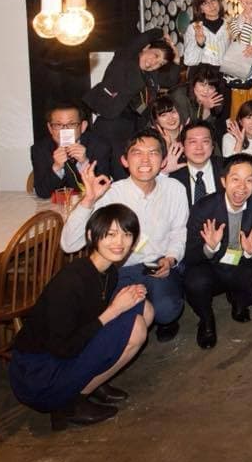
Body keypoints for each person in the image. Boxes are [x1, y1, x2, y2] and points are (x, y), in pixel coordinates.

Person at [10, 204, 152, 431]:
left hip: (67, 352)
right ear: (91, 236)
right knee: (136, 327)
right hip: (38, 373)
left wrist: (119, 307)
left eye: (127, 234)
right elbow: (62, 348)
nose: (119, 242)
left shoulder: (108, 272)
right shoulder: (71, 281)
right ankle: (70, 403)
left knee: (145, 309)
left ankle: (92, 382)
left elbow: (88, 324)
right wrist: (114, 310)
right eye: (110, 234)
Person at [60, 130, 187, 342]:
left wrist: (171, 259)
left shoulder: (175, 190)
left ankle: (162, 314)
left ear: (164, 161)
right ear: (124, 161)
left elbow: (179, 231)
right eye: (137, 153)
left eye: (153, 153)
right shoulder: (111, 193)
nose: (145, 160)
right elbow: (69, 244)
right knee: (123, 314)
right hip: (119, 270)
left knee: (167, 310)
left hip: (157, 266)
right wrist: (88, 200)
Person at [185, 153, 252, 349]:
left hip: (242, 264)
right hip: (211, 266)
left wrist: (251, 252)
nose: (242, 187)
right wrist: (209, 248)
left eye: (249, 180)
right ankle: (206, 320)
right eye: (235, 179)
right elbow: (190, 255)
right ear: (223, 181)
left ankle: (239, 298)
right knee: (194, 282)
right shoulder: (204, 208)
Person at [82, 29, 174, 176]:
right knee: (100, 171)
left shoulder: (151, 78)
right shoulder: (125, 59)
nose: (155, 62)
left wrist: (176, 56)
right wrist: (161, 32)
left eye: (160, 63)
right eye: (156, 55)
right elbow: (141, 39)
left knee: (124, 173)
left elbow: (171, 80)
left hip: (131, 128)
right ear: (146, 48)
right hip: (110, 122)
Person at [31, 102, 111, 199]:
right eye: (58, 125)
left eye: (72, 124)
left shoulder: (99, 146)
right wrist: (57, 167)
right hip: (54, 205)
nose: (64, 130)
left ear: (83, 126)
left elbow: (103, 187)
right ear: (50, 128)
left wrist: (84, 163)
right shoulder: (40, 149)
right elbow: (42, 192)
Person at [169, 120, 223, 207]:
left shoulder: (227, 168)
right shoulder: (172, 173)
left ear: (213, 146)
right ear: (183, 146)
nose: (199, 147)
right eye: (193, 142)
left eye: (205, 141)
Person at [170, 64, 226, 137]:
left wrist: (206, 109)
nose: (205, 91)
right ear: (194, 83)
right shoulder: (180, 96)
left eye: (211, 87)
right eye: (202, 85)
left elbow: (207, 131)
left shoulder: (213, 100)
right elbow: (189, 130)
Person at [183, 0, 229, 72]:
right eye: (205, 3)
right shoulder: (194, 28)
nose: (211, 5)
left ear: (218, 2)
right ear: (200, 9)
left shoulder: (229, 25)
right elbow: (189, 61)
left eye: (213, 0)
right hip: (202, 75)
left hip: (225, 74)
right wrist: (199, 44)